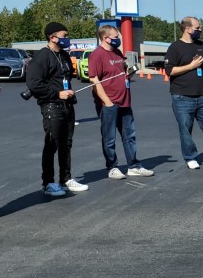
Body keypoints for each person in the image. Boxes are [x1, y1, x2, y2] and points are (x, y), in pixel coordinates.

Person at [26, 22, 87, 196]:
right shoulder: (42, 57)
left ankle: (66, 179)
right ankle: (48, 183)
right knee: (51, 144)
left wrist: (68, 93)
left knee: (66, 144)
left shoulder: (65, 56)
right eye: (64, 35)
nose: (67, 38)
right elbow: (33, 83)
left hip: (67, 105)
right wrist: (57, 93)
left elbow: (65, 78)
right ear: (52, 37)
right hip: (51, 105)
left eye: (67, 35)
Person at [88, 25, 154, 180]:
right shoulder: (96, 55)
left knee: (129, 135)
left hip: (125, 101)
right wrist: (107, 102)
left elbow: (123, 72)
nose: (118, 40)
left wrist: (130, 72)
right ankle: (112, 167)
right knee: (109, 137)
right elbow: (94, 79)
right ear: (105, 38)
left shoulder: (117, 53)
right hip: (109, 104)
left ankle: (133, 166)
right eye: (115, 37)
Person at [164, 17, 203, 169]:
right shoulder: (175, 47)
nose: (200, 30)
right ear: (187, 29)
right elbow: (170, 71)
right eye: (198, 28)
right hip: (182, 96)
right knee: (186, 129)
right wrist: (191, 66)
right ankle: (190, 157)